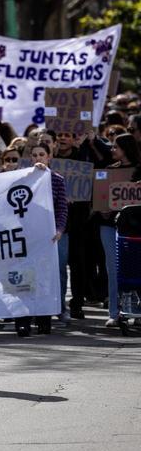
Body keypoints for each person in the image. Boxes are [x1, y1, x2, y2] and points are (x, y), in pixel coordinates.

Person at [13, 143, 68, 336]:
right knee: (24, 281)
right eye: (34, 155)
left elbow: (62, 208)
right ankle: (23, 321)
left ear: (49, 157)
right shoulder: (20, 179)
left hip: (47, 239)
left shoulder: (57, 180)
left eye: (42, 154)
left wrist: (60, 229)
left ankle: (44, 320)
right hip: (24, 238)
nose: (38, 158)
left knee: (45, 280)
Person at [98, 133, 140, 328]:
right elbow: (101, 198)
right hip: (110, 226)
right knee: (113, 270)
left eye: (116, 147)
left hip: (135, 227)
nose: (112, 150)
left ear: (126, 148)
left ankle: (137, 310)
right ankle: (115, 312)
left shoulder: (139, 170)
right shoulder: (109, 171)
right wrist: (103, 209)